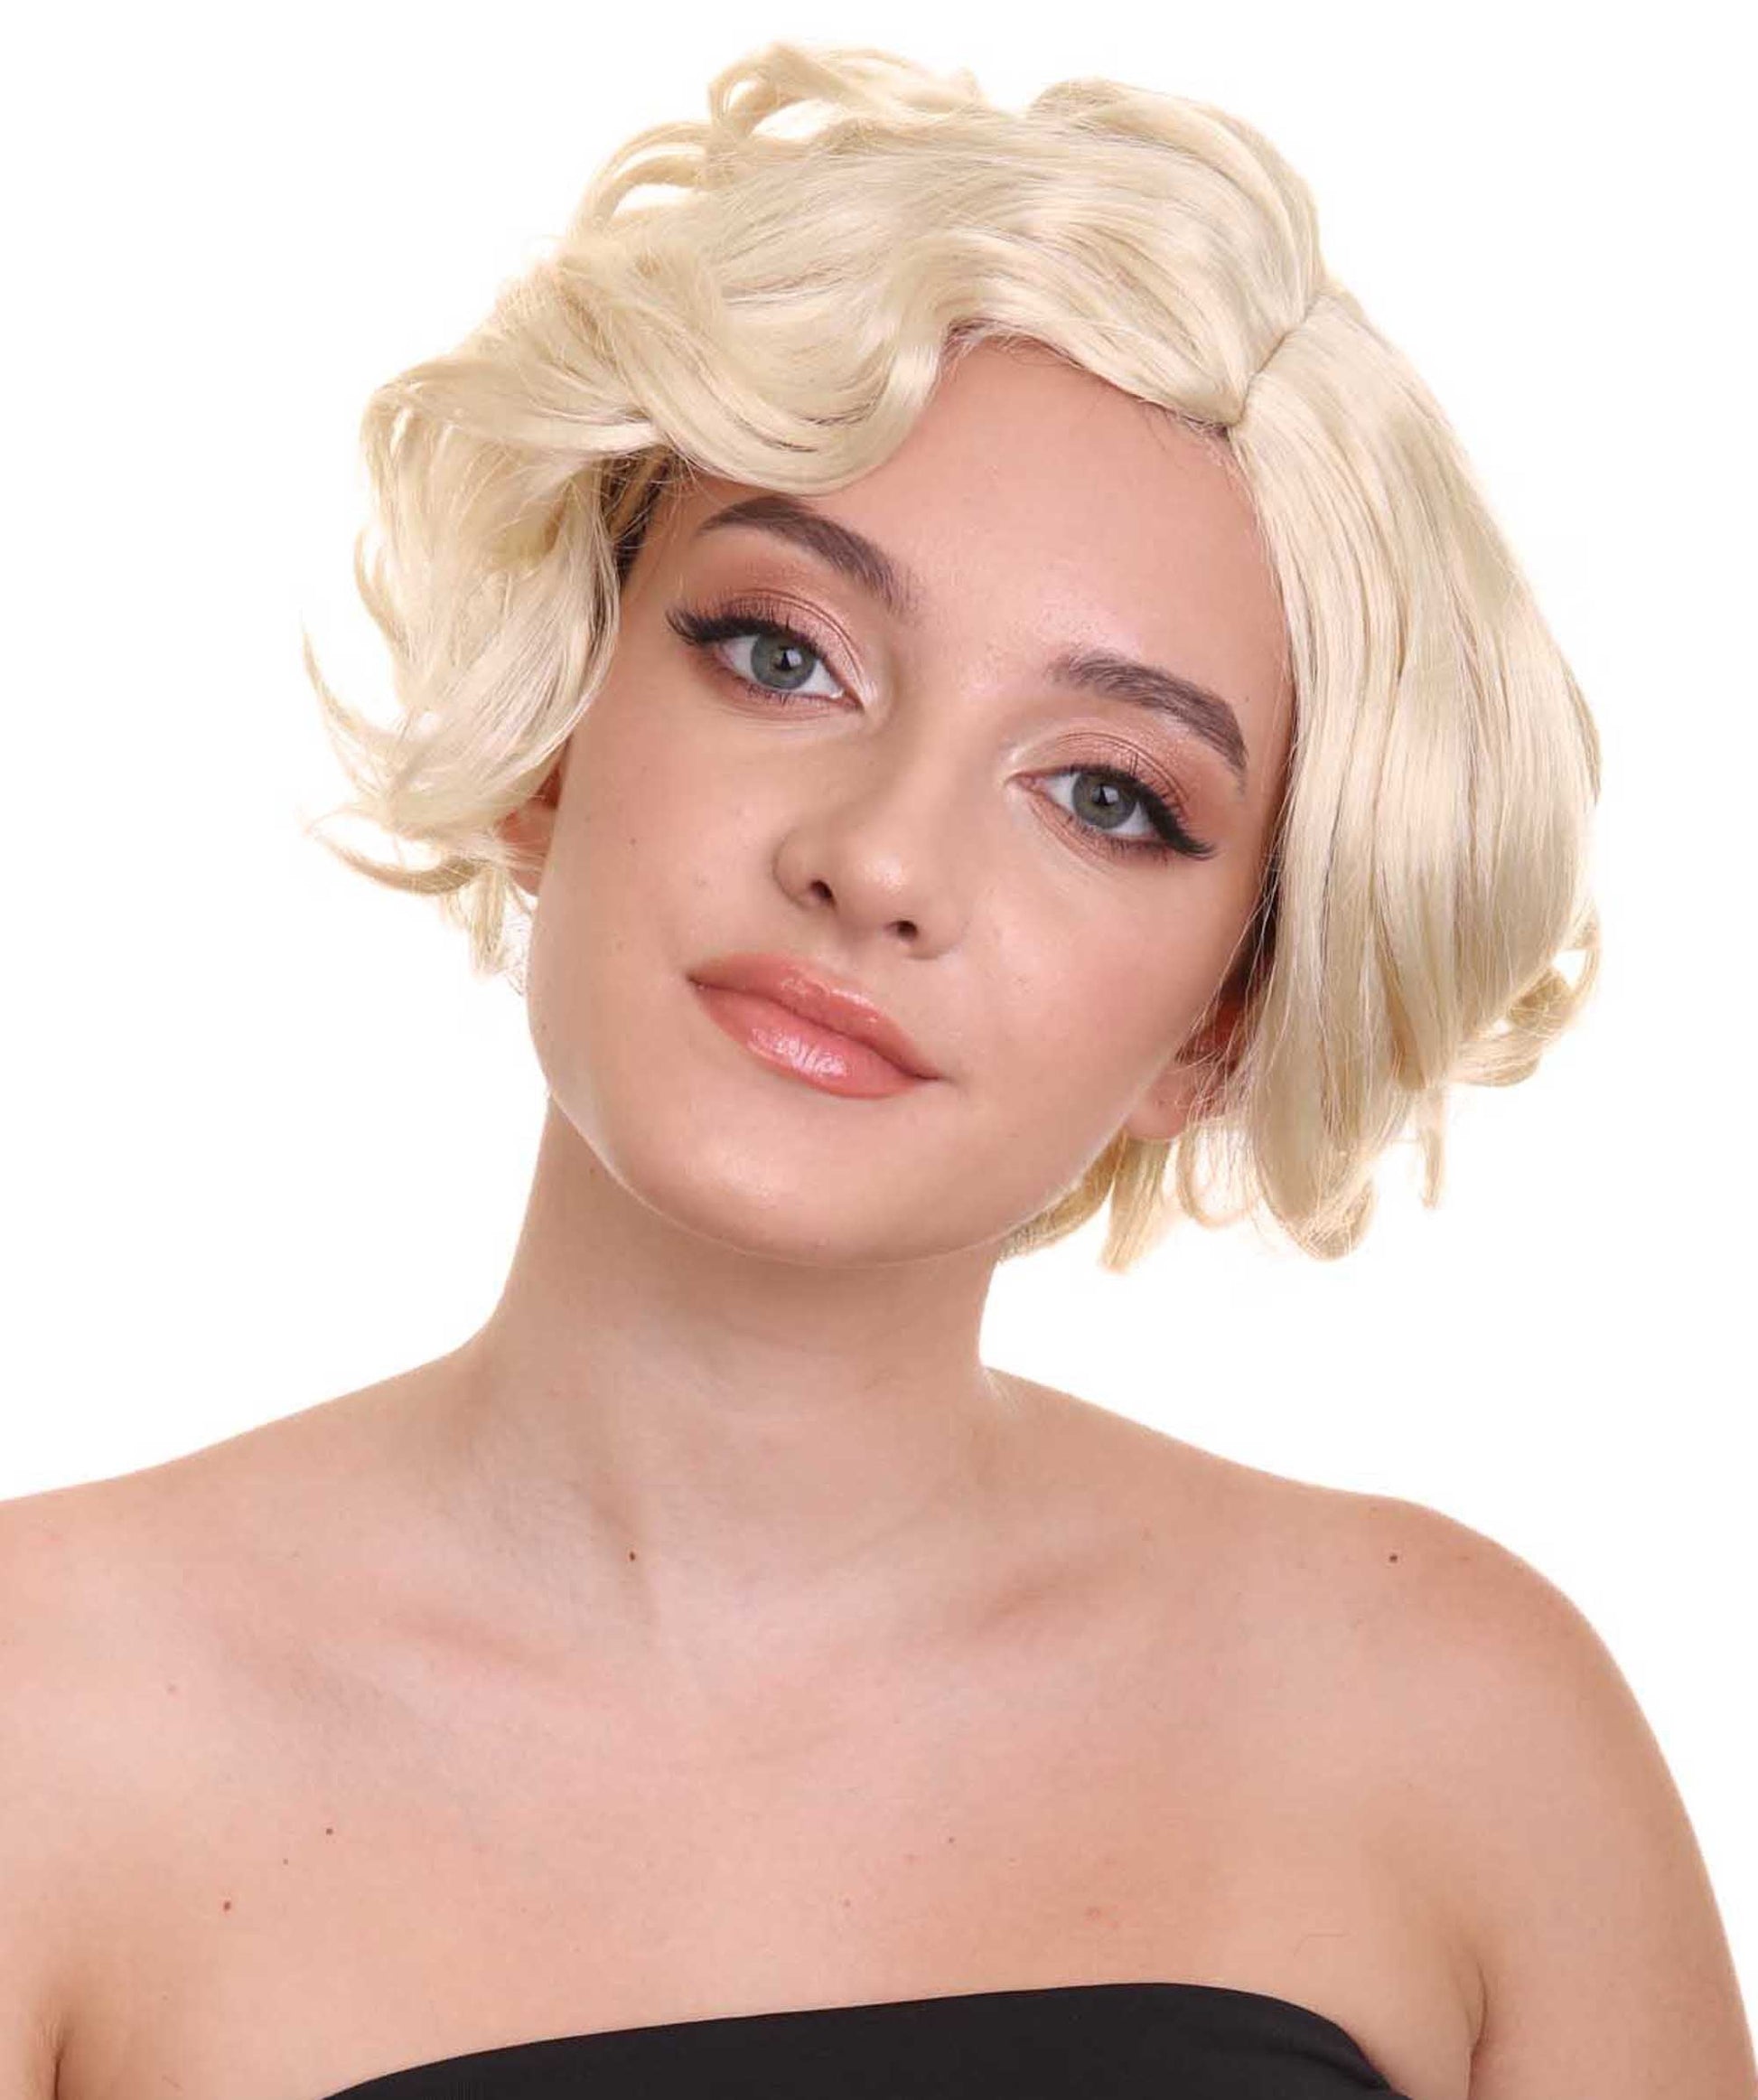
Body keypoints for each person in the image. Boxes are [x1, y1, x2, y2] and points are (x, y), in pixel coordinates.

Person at [3, 37, 1750, 2100]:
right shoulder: (51, 1723)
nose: (883, 861)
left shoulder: (1464, 1735)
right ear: (556, 722)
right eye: (781, 654)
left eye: (1105, 794)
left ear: (1222, 1014)